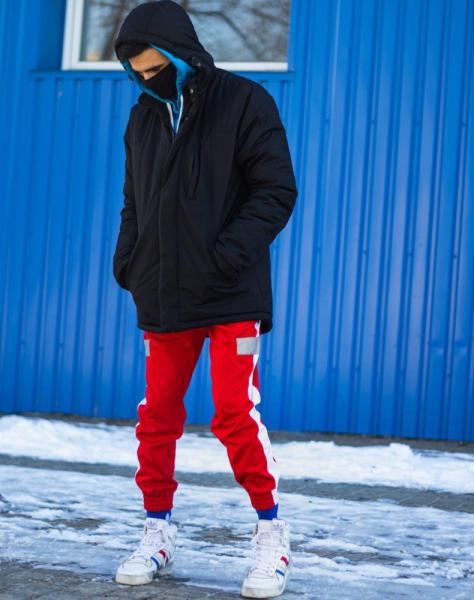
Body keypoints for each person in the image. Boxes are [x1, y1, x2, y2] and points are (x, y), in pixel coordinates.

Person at [111, 1, 298, 597]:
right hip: (163, 292)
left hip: (230, 291)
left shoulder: (244, 102)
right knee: (158, 415)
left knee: (233, 412)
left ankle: (271, 532)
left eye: (155, 68)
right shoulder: (143, 118)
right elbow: (134, 201)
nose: (148, 81)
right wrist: (128, 260)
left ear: (180, 53)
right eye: (138, 73)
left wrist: (225, 256)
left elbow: (276, 190)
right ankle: (157, 530)